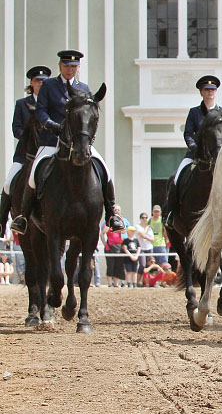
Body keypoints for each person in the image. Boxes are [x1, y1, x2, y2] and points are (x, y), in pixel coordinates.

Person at [11, 52, 125, 235]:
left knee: (104, 169)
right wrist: (50, 125)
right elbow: (41, 111)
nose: (69, 69)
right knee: (33, 173)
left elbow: (87, 114)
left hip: (78, 142)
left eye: (73, 67)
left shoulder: (84, 88)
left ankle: (112, 214)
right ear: (60, 66)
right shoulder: (48, 85)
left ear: (78, 68)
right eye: (66, 66)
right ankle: (23, 216)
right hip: (51, 140)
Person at [165, 76, 222, 225]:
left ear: (216, 92)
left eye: (212, 90)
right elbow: (188, 133)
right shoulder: (194, 112)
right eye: (206, 90)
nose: (210, 93)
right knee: (176, 177)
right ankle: (171, 212)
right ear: (201, 92)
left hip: (217, 156)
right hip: (195, 155)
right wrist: (193, 146)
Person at [0, 66, 50, 231]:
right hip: (26, 153)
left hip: (48, 149)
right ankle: (2, 222)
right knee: (8, 183)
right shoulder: (22, 104)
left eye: (43, 81)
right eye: (37, 81)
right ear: (31, 83)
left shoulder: (52, 103)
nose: (40, 84)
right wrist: (29, 139)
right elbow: (17, 128)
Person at [135, 212, 155, 284]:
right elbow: (141, 234)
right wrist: (146, 229)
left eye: (146, 218)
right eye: (143, 218)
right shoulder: (138, 226)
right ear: (140, 219)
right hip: (141, 248)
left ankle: (146, 281)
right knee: (142, 265)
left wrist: (146, 236)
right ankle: (138, 281)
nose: (144, 219)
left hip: (149, 247)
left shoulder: (149, 228)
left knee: (149, 265)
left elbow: (153, 239)